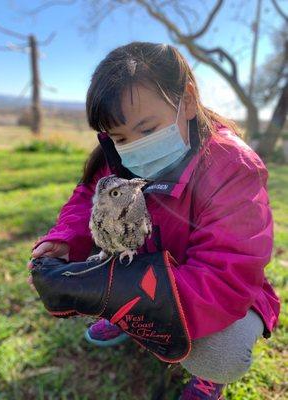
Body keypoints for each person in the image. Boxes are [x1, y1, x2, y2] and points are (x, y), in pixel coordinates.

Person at [28, 42, 281, 400]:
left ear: (188, 101)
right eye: (119, 137)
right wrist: (65, 240)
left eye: (147, 130)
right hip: (143, 266)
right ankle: (132, 320)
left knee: (221, 354)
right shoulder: (117, 156)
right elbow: (89, 196)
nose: (132, 147)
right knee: (115, 285)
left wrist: (127, 295)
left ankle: (207, 375)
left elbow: (228, 272)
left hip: (214, 288)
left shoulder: (232, 167)